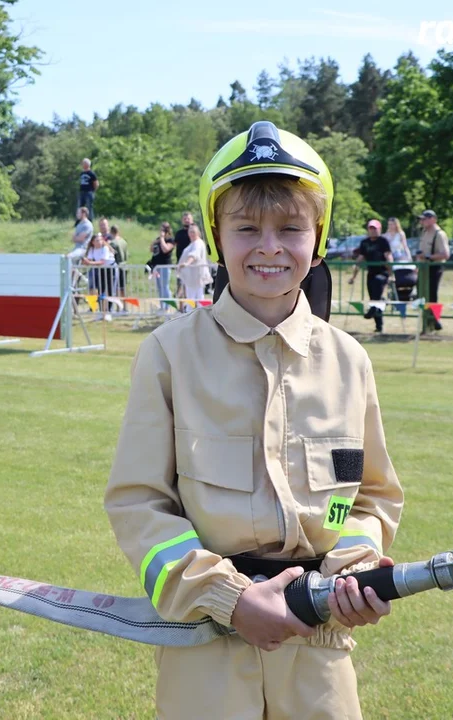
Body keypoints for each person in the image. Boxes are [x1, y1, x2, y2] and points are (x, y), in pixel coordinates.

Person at [104, 121, 403, 720]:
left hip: (318, 648)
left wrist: (357, 569)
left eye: (291, 228)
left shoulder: (349, 361)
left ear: (318, 240)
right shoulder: (169, 354)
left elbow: (370, 498)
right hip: (206, 647)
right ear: (216, 238)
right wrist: (228, 596)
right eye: (246, 228)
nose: (269, 246)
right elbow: (139, 504)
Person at [348, 219, 392, 333]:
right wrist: (353, 276)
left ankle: (372, 309)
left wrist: (392, 274)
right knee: (374, 298)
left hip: (383, 273)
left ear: (379, 229)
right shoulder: (365, 242)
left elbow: (388, 256)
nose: (373, 231)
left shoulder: (383, 241)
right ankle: (379, 326)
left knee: (377, 286)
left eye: (375, 228)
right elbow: (361, 258)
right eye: (371, 228)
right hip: (371, 273)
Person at [415, 209, 449, 330]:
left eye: (425, 219)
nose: (422, 221)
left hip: (434, 267)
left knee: (432, 295)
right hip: (423, 268)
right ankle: (428, 320)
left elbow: (445, 254)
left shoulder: (439, 234)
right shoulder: (424, 232)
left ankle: (435, 320)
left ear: (433, 219)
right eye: (422, 219)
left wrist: (428, 257)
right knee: (421, 294)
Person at [176, 224, 212, 304]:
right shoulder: (193, 243)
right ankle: (193, 312)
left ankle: (195, 313)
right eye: (190, 232)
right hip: (192, 276)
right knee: (193, 297)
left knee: (196, 297)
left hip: (196, 275)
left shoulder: (198, 243)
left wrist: (186, 263)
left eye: (193, 232)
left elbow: (194, 255)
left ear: (197, 233)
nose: (191, 234)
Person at [384, 217, 416, 300]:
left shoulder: (401, 234)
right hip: (390, 255)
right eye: (389, 224)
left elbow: (405, 246)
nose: (391, 226)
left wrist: (409, 258)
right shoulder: (386, 235)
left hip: (400, 254)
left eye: (392, 224)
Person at [82, 232, 117, 301]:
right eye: (97, 240)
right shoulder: (92, 249)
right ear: (93, 242)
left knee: (110, 290)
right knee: (101, 289)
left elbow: (102, 262)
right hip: (101, 270)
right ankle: (101, 309)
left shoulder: (105, 248)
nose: (99, 242)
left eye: (100, 240)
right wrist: (84, 261)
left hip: (111, 269)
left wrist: (89, 262)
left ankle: (110, 309)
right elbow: (89, 260)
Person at [148, 221, 175, 303]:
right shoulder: (158, 239)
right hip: (157, 266)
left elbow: (165, 249)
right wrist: (155, 241)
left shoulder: (170, 239)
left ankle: (167, 306)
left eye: (164, 228)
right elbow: (151, 249)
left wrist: (162, 239)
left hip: (165, 266)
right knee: (159, 287)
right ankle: (162, 306)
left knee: (165, 287)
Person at [108, 224, 129, 295]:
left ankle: (118, 305)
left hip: (117, 267)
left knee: (117, 288)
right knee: (123, 288)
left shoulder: (113, 243)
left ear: (111, 232)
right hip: (125, 266)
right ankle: (124, 304)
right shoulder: (124, 241)